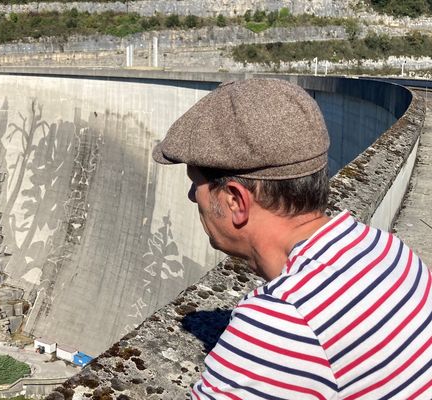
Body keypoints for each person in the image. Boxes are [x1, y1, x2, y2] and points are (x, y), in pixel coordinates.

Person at [152, 79, 432, 399]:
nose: (192, 197)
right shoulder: (390, 252)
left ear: (235, 201)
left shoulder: (282, 322)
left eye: (195, 184)